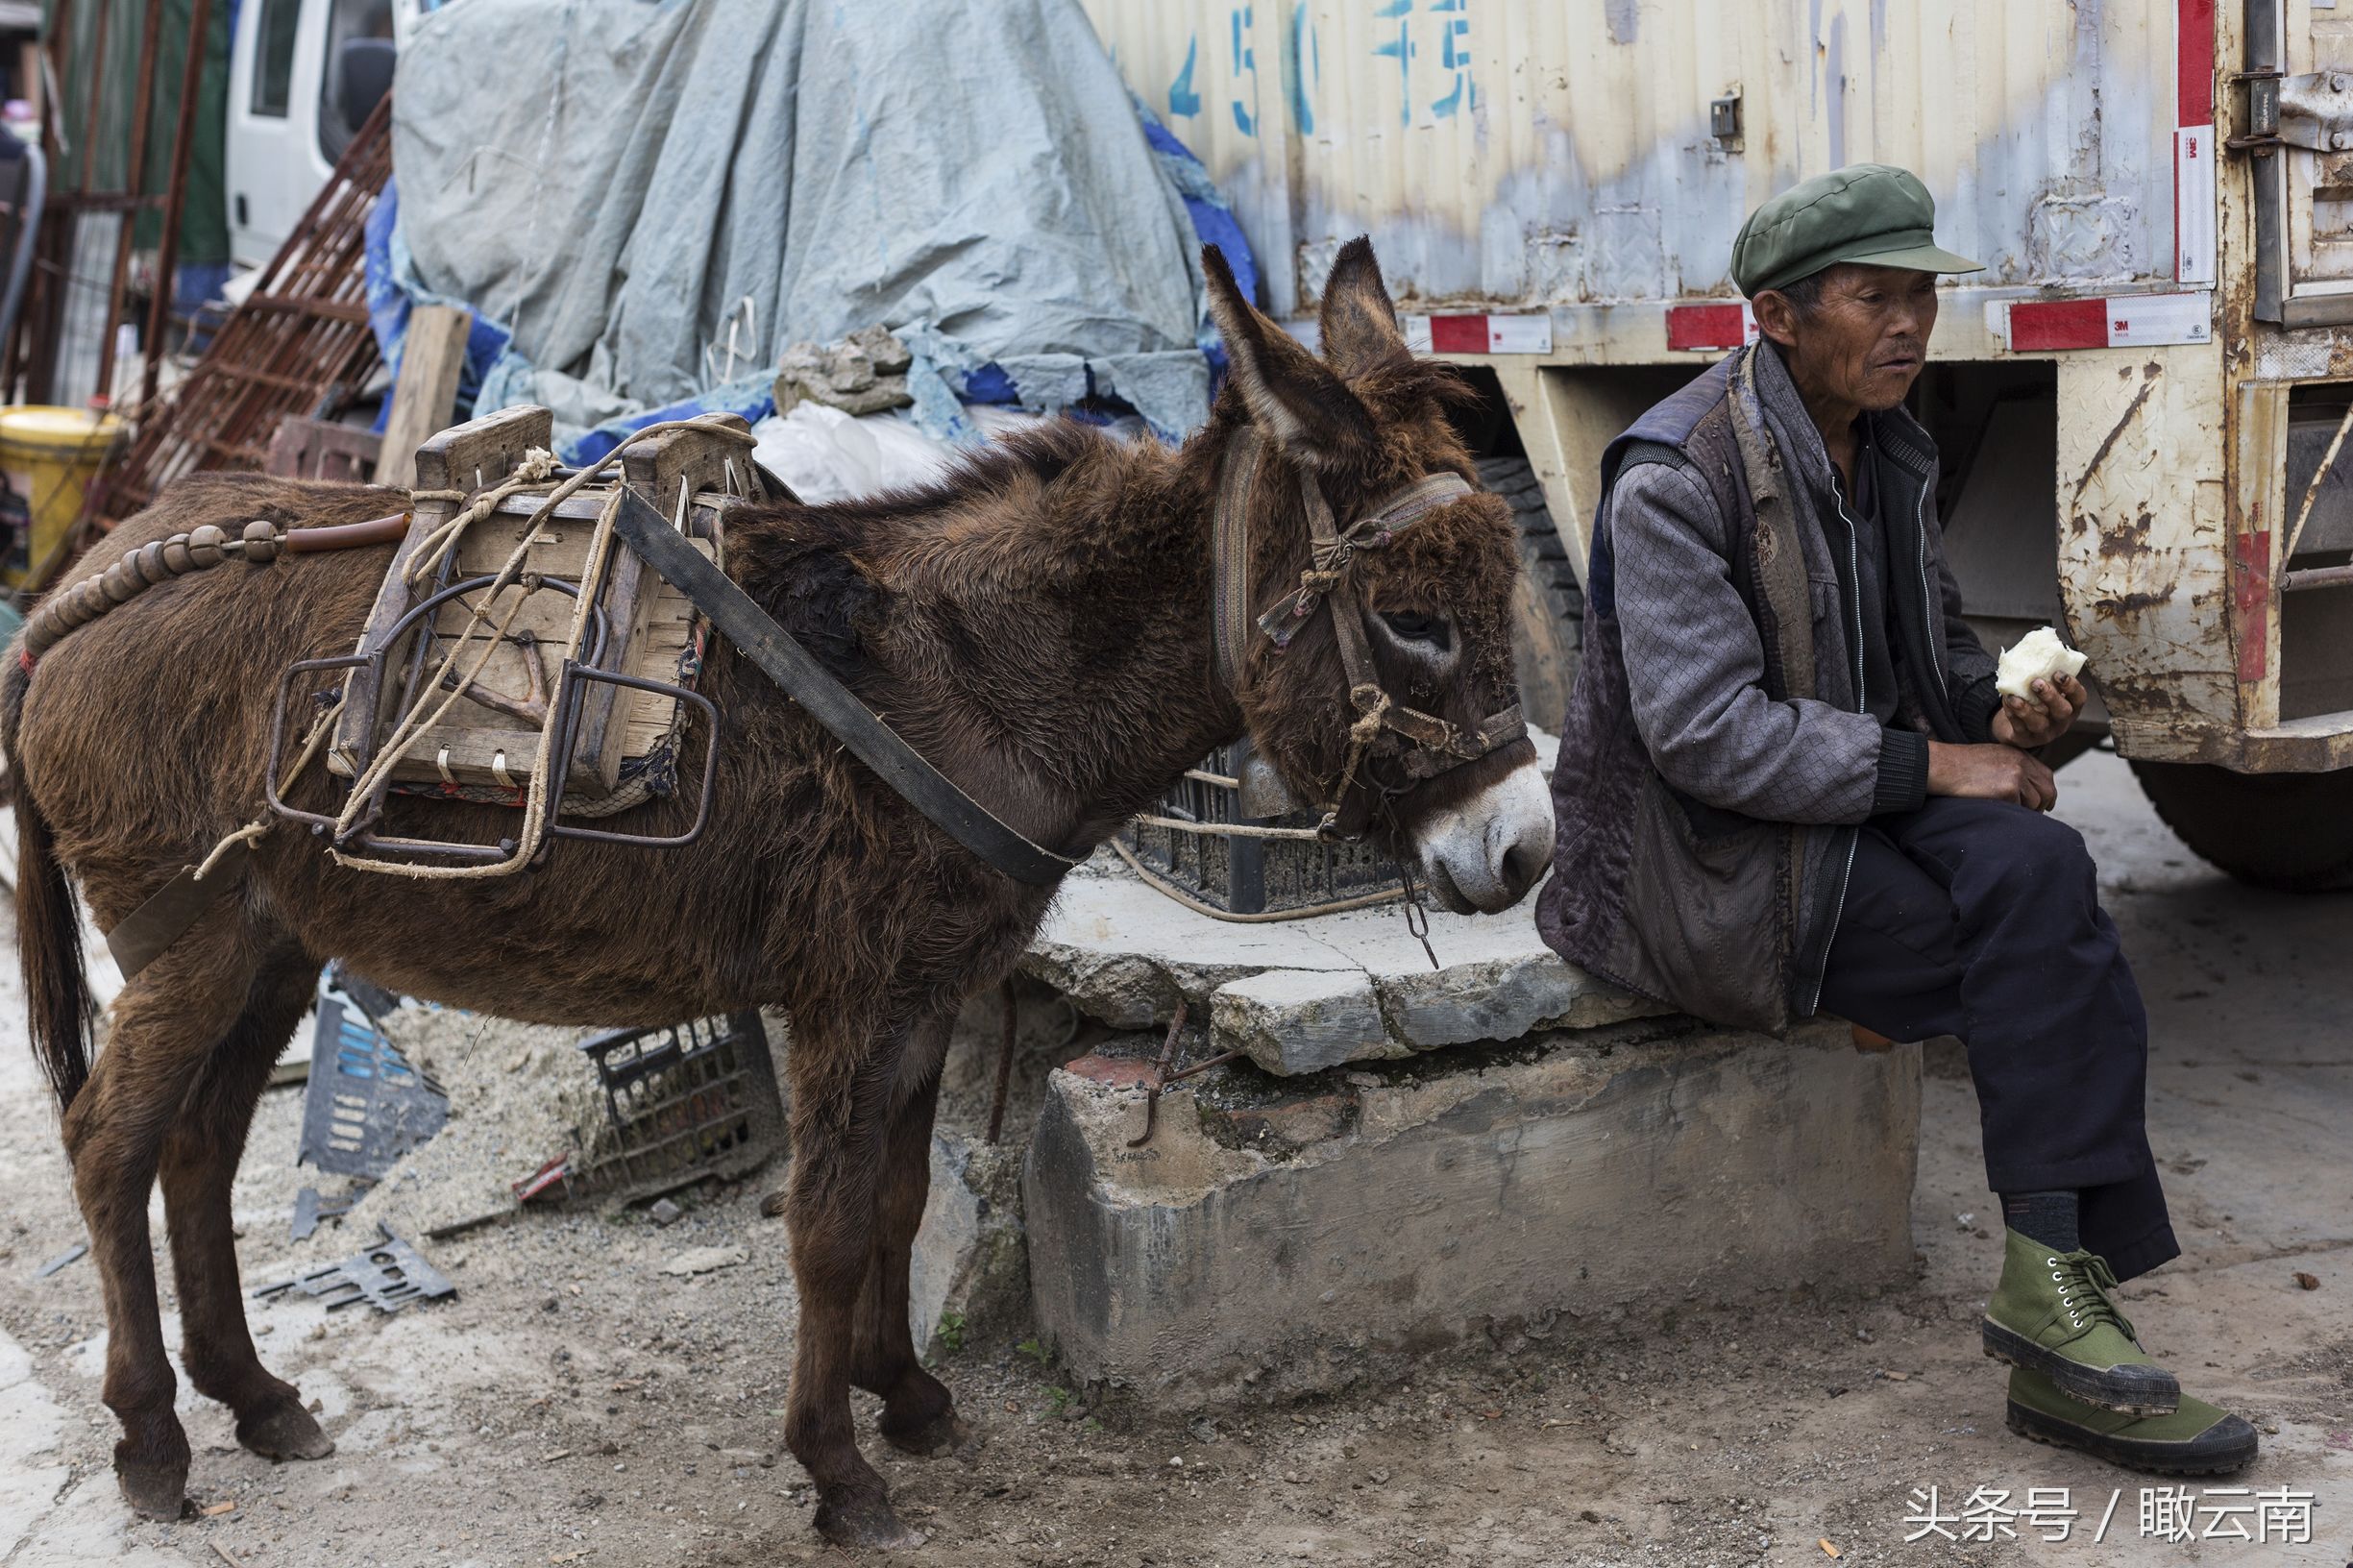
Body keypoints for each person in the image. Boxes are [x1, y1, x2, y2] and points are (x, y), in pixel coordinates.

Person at [1535, 163, 2256, 1475]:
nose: (1909, 325)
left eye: (1920, 295)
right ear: (1775, 315)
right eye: (1872, 298)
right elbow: (1703, 738)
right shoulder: (1674, 474)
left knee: (2041, 872)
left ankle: (2049, 1288)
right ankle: (2061, 1308)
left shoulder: (1890, 449)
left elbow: (1924, 662)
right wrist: (1939, 768)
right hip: (1706, 862)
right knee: (2033, 950)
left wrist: (1999, 714)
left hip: (1845, 806)